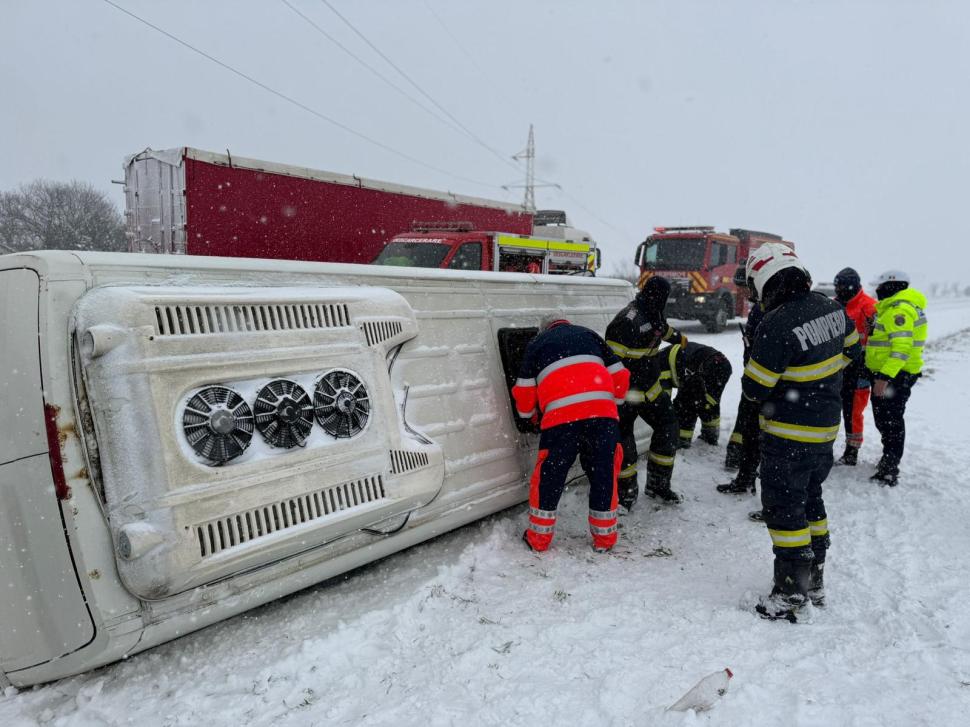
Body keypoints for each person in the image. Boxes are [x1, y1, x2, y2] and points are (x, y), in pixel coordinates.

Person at [739, 243, 861, 621]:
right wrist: (817, 377)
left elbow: (754, 388)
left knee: (784, 511)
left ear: (764, 280)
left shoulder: (776, 324)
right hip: (824, 431)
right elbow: (852, 351)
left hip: (787, 435)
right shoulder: (831, 308)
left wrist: (766, 360)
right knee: (811, 500)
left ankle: (791, 592)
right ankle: (815, 580)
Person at [512, 316, 630, 552]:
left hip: (561, 420)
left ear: (545, 329)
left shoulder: (537, 344)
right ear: (566, 323)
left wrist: (529, 417)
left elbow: (524, 394)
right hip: (602, 418)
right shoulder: (589, 335)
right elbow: (621, 376)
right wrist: (610, 403)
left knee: (550, 478)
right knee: (604, 475)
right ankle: (604, 540)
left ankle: (538, 540)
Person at [605, 276, 686, 508]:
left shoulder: (654, 312)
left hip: (650, 390)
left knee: (669, 428)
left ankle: (658, 485)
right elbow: (610, 362)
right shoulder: (627, 320)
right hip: (625, 395)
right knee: (624, 443)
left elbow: (661, 330)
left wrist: (680, 339)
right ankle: (626, 495)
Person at [865, 270, 927, 486]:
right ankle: (888, 459)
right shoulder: (895, 308)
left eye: (880, 286)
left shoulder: (899, 311)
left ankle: (889, 469)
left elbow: (901, 349)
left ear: (892, 286)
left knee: (890, 421)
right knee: (886, 419)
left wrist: (884, 378)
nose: (877, 290)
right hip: (893, 373)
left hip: (895, 376)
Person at [833, 267, 877, 465]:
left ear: (853, 286)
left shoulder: (869, 306)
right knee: (830, 408)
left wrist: (867, 368)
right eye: (837, 286)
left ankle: (852, 451)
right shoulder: (834, 305)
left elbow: (877, 341)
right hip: (835, 367)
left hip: (859, 368)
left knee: (853, 411)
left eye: (842, 287)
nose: (839, 290)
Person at [657, 341, 733, 448]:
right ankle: (710, 435)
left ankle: (681, 440)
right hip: (722, 364)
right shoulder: (662, 356)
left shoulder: (656, 366)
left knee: (684, 404)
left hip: (705, 366)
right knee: (710, 401)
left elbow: (663, 400)